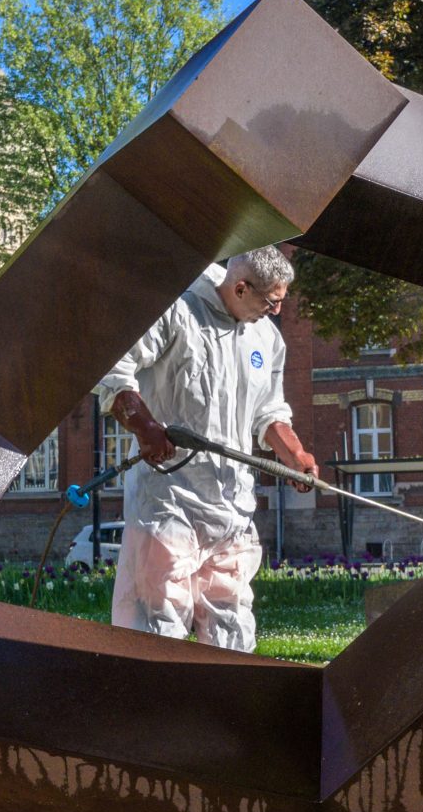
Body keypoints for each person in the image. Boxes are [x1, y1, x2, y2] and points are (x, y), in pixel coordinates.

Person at [96, 247, 320, 652]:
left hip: (231, 506)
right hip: (169, 500)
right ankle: (153, 710)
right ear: (239, 287)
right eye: (271, 301)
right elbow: (114, 369)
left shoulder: (265, 337)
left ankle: (225, 710)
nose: (274, 311)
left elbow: (269, 409)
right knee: (157, 618)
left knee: (231, 623)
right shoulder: (177, 313)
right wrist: (146, 427)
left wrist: (294, 454)